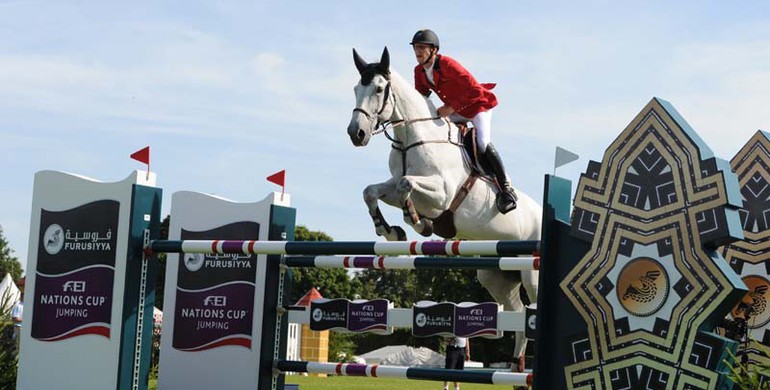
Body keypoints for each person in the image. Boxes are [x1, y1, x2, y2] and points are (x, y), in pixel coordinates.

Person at [410, 29, 518, 213]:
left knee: (483, 142)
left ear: (434, 50)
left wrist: (450, 107)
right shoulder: (419, 71)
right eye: (415, 48)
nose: (418, 52)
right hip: (457, 111)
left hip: (478, 106)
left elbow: (475, 90)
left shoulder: (448, 64)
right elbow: (420, 97)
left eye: (422, 48)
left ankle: (506, 189)